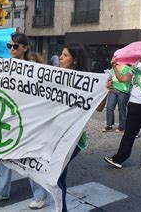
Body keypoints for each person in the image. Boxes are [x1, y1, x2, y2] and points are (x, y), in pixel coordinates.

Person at [0, 33, 48, 210]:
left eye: (15, 46)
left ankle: (40, 195)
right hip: (11, 118)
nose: (11, 49)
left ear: (25, 48)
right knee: (5, 153)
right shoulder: (6, 65)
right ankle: (0, 190)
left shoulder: (35, 69)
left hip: (30, 120)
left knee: (29, 157)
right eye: (9, 46)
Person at [57, 43, 90, 211]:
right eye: (61, 55)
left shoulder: (86, 81)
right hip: (55, 135)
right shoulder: (55, 77)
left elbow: (98, 108)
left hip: (73, 138)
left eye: (65, 55)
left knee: (57, 175)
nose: (60, 58)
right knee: (58, 175)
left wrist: (106, 89)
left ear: (75, 60)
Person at [102, 60, 131, 133]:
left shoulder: (127, 68)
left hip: (123, 92)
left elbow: (126, 79)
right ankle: (109, 125)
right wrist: (108, 80)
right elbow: (110, 77)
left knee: (121, 109)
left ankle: (122, 126)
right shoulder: (113, 68)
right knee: (109, 107)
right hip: (113, 90)